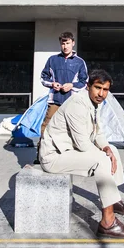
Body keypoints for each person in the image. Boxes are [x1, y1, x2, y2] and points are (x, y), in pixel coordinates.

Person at [39, 69, 124, 238]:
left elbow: (97, 132)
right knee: (102, 160)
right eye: (97, 88)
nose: (101, 93)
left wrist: (107, 148)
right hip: (54, 156)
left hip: (69, 151)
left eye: (105, 90)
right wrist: (105, 156)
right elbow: (84, 145)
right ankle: (108, 223)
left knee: (112, 150)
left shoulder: (94, 103)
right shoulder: (77, 104)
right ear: (88, 86)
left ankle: (113, 201)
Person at [35, 31, 88, 164]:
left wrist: (72, 85)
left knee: (73, 129)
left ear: (73, 43)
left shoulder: (80, 62)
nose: (65, 46)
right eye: (63, 43)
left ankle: (74, 158)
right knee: (46, 128)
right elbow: (43, 78)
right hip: (55, 101)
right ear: (60, 44)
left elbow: (85, 81)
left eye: (68, 43)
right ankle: (41, 156)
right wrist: (52, 84)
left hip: (72, 102)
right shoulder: (52, 60)